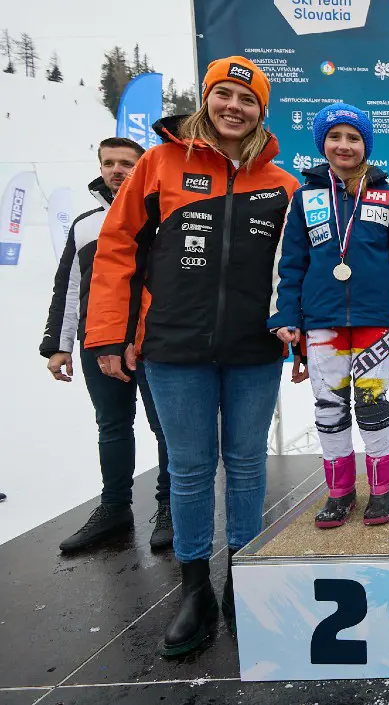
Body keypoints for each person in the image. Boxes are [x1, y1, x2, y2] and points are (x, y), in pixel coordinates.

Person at [86, 56, 299, 657]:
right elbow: (117, 249)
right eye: (223, 95)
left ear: (262, 112)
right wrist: (109, 334)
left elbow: (296, 276)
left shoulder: (283, 186)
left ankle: (245, 581)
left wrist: (303, 339)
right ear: (206, 99)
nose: (234, 107)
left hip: (254, 350)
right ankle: (195, 589)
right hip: (174, 348)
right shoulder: (158, 164)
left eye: (247, 99)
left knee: (249, 463)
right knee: (189, 467)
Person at [269, 103, 389, 528]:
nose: (344, 145)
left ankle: (382, 488)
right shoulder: (305, 198)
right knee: (328, 408)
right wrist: (287, 313)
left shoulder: (387, 194)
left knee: (371, 404)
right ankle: (339, 493)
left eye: (353, 138)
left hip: (376, 319)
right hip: (322, 321)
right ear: (323, 143)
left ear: (366, 145)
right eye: (335, 137)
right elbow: (290, 262)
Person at [41, 137, 173, 553]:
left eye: (128, 164)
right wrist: (57, 345)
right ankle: (115, 507)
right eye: (110, 163)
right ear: (100, 168)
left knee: (166, 428)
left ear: (144, 168)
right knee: (112, 427)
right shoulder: (84, 224)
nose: (118, 170)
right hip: (98, 341)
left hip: (155, 341)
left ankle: (170, 507)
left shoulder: (162, 215)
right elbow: (70, 287)